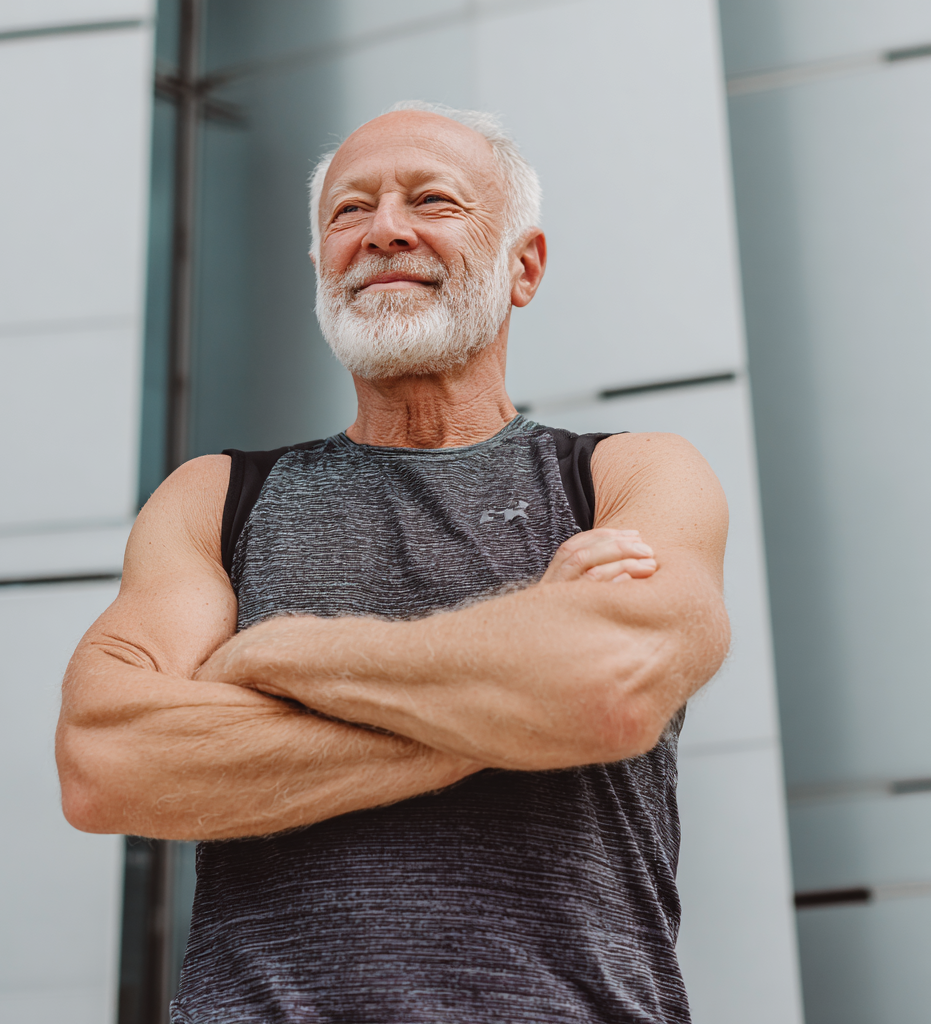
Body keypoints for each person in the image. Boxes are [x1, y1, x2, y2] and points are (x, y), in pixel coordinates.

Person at [57, 100, 730, 1024]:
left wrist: (281, 655)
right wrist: (517, 693)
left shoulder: (629, 473)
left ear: (523, 266)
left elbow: (602, 688)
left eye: (433, 200)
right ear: (320, 267)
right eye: (348, 212)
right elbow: (107, 760)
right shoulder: (215, 498)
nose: (383, 231)